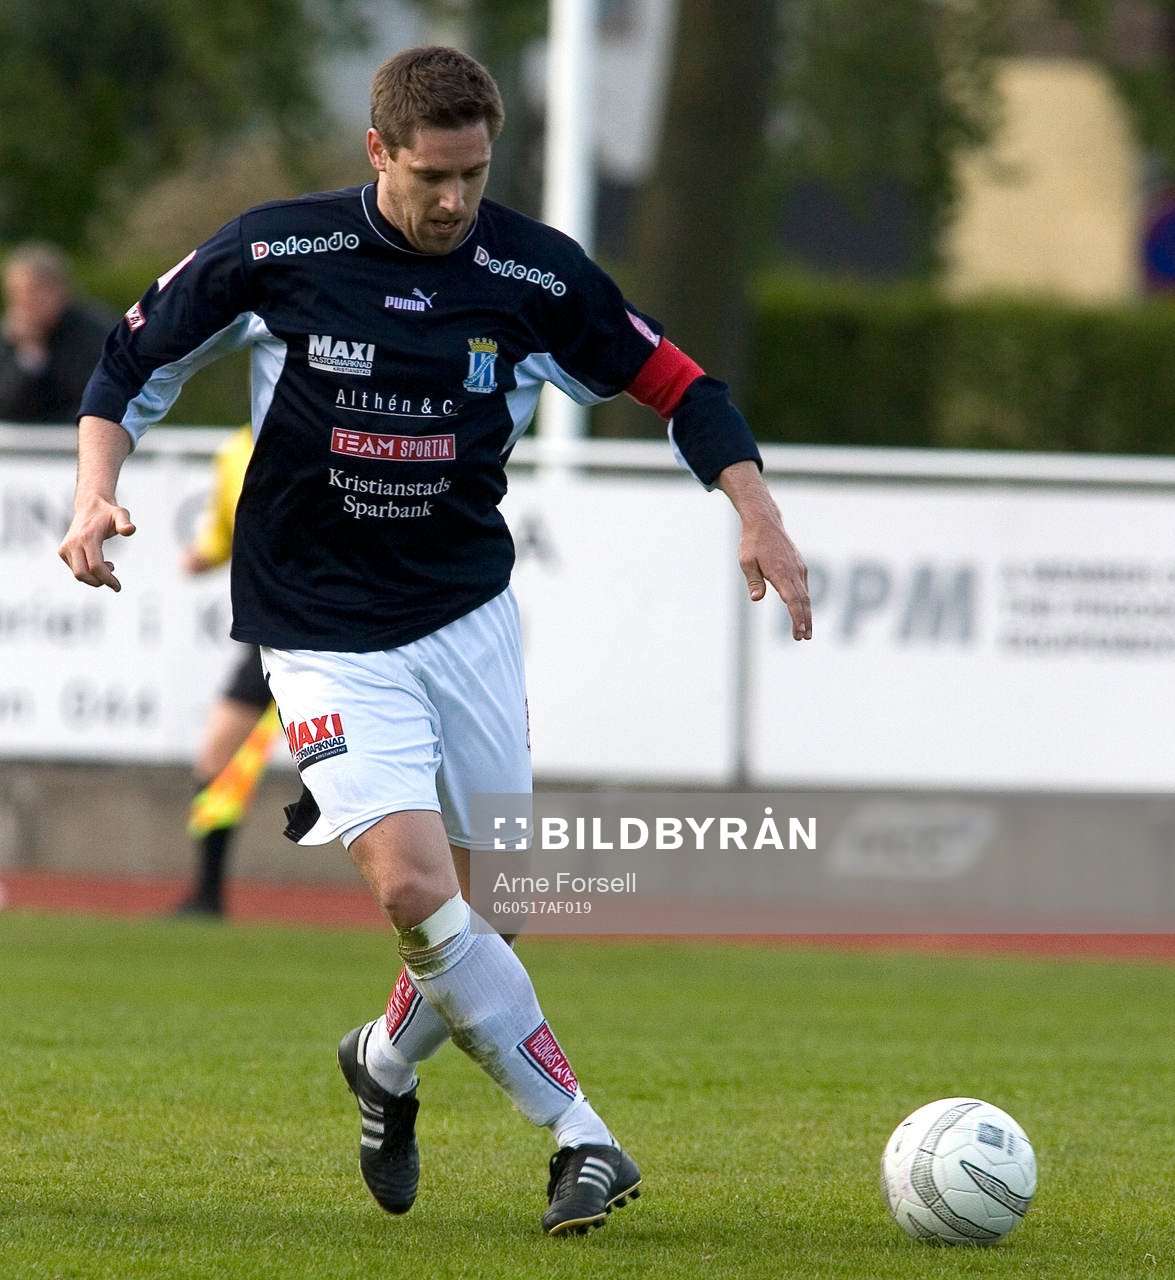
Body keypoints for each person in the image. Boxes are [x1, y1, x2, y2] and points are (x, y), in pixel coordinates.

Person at [58, 46, 812, 1236]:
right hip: (316, 627)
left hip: (465, 618)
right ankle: (584, 1137)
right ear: (376, 151)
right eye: (429, 177)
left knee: (489, 906)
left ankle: (383, 1058)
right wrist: (96, 492)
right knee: (415, 885)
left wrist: (755, 508)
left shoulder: (529, 271)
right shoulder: (277, 250)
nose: (453, 201)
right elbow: (123, 368)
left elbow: (681, 384)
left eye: (472, 174)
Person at [173, 425, 279, 917]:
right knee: (216, 759)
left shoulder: (330, 426)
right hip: (274, 630)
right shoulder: (234, 451)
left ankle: (481, 905)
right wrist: (205, 557)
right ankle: (208, 895)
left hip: (349, 628)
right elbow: (225, 532)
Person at [0, 242, 112, 423]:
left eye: (33, 292)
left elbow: (95, 401)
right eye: (15, 293)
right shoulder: (8, 337)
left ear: (60, 290)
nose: (24, 303)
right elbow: (7, 406)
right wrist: (30, 351)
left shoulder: (95, 334)